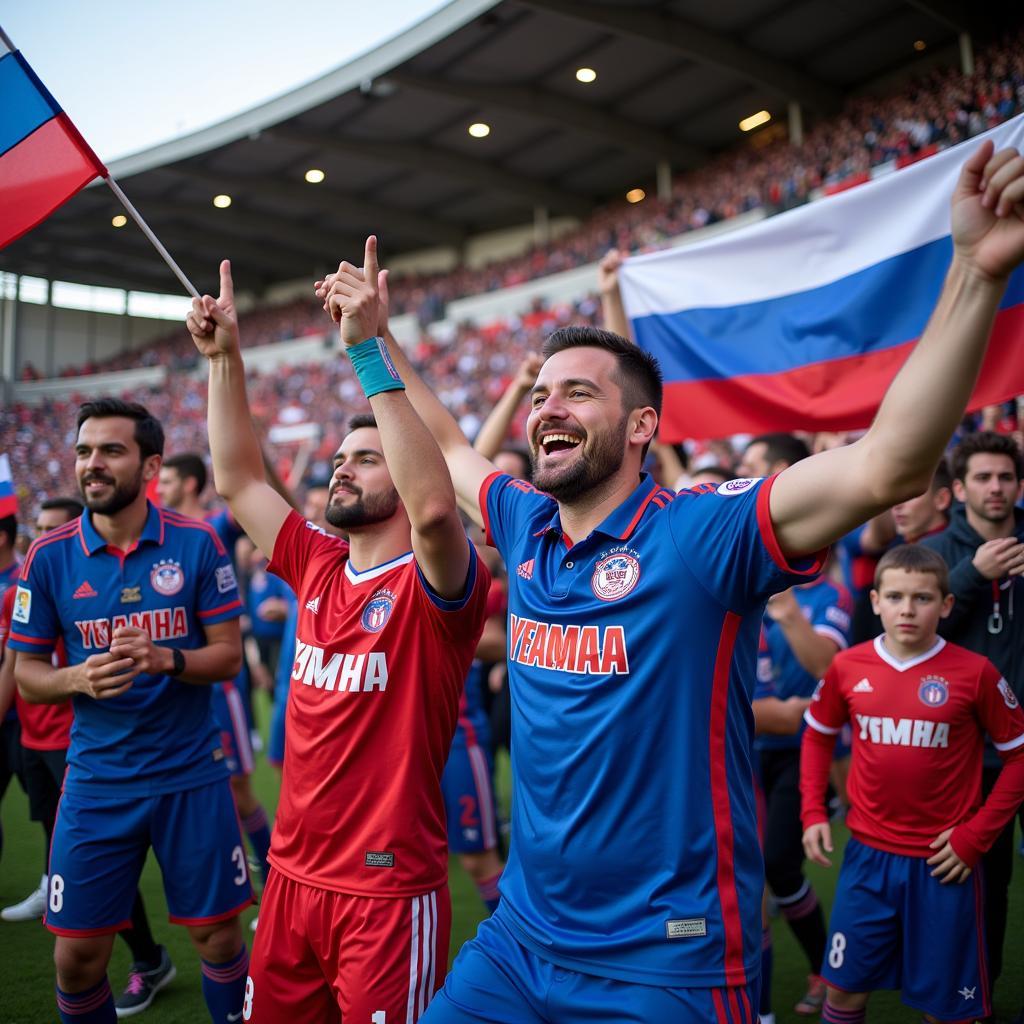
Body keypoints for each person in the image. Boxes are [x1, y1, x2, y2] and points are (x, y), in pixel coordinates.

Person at [313, 140, 1024, 1021]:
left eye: (577, 393)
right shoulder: (523, 521)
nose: (546, 410)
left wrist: (973, 272)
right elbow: (452, 448)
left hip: (665, 959)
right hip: (520, 939)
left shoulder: (699, 531)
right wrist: (374, 344)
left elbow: (887, 465)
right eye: (541, 397)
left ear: (644, 424)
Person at [187, 240, 491, 1022]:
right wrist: (225, 361)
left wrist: (366, 351)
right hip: (289, 880)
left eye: (369, 457)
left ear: (408, 461)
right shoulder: (316, 562)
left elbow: (432, 510)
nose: (343, 468)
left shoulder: (438, 584)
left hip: (386, 894)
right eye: (340, 457)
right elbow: (241, 480)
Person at [8, 399, 253, 1024]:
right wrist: (77, 677)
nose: (93, 464)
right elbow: (29, 678)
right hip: (96, 781)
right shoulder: (49, 557)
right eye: (85, 451)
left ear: (150, 466)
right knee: (77, 959)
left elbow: (228, 658)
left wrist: (167, 659)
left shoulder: (196, 544)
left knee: (220, 941)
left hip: (190, 774)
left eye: (110, 451)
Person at [800, 544, 1024, 1024]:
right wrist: (814, 812)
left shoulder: (976, 672)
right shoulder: (849, 667)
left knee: (946, 1011)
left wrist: (975, 836)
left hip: (944, 866)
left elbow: (1019, 759)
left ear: (946, 605)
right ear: (876, 600)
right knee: (842, 996)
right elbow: (817, 735)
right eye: (896, 596)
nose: (907, 609)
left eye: (922, 598)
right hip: (867, 861)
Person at [921, 430, 1024, 998]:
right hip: (969, 751)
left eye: (1006, 477)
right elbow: (914, 636)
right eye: (983, 478)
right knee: (985, 883)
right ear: (959, 489)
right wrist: (973, 575)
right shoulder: (936, 553)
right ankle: (978, 995)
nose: (995, 488)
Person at [156, 452, 274, 892]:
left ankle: (273, 878)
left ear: (188, 484)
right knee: (200, 794)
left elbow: (242, 494)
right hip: (178, 680)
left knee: (239, 789)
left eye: (166, 480)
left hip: (220, 681)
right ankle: (228, 878)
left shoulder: (215, 526)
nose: (159, 489)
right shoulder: (160, 536)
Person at [0, 499, 81, 922]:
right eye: (40, 527)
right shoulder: (19, 592)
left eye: (54, 528)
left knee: (81, 836)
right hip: (30, 732)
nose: (41, 537)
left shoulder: (87, 585)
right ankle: (51, 887)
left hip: (69, 733)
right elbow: (13, 666)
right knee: (50, 822)